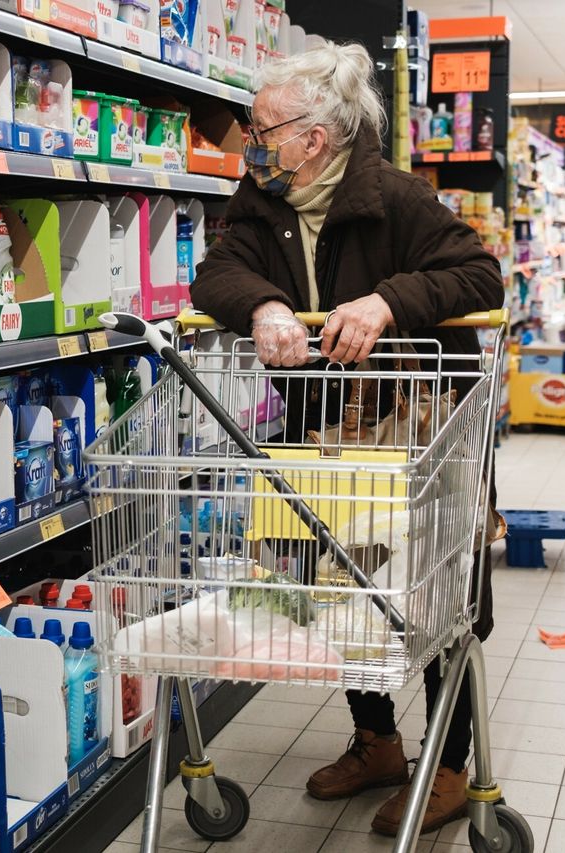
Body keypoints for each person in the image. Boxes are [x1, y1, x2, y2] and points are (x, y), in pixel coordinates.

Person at [189, 41, 503, 837]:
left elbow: (479, 276)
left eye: (261, 129)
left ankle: (451, 766)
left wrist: (388, 302)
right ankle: (379, 742)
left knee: (434, 599)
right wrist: (262, 305)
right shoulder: (260, 200)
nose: (249, 141)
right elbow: (214, 277)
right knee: (344, 587)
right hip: (326, 429)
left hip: (419, 425)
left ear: (313, 137)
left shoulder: (394, 197)